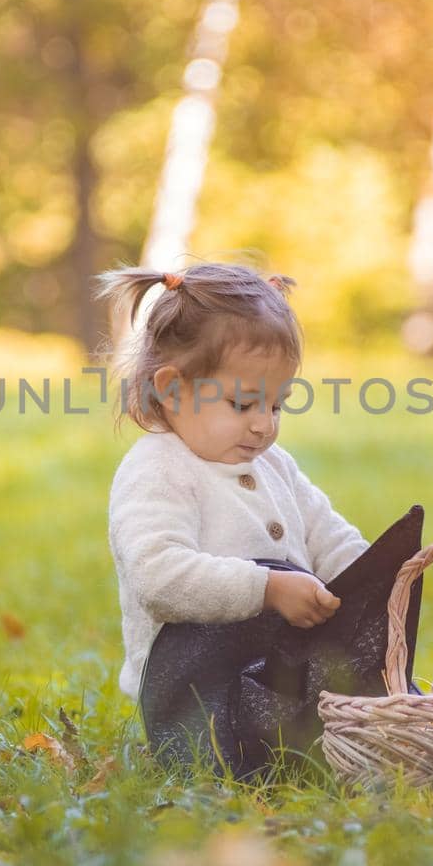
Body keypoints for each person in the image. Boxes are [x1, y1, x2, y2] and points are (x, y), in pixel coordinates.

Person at [92, 261, 374, 706]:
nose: (264, 425)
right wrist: (267, 589)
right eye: (243, 404)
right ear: (172, 389)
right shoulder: (159, 468)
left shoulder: (274, 465)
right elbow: (157, 575)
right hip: (193, 695)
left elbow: (328, 534)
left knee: (372, 697)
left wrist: (370, 577)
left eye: (277, 405)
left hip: (278, 678)